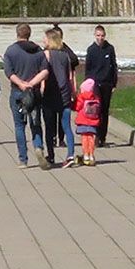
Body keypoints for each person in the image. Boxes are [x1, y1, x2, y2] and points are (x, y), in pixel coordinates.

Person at [1, 23, 51, 169]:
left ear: (17, 34)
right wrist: (32, 83)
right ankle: (38, 147)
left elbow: (9, 73)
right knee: (35, 123)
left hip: (18, 92)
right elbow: (45, 71)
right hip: (34, 92)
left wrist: (22, 84)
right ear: (29, 34)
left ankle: (23, 159)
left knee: (19, 126)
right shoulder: (38, 51)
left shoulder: (11, 51)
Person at [41, 28, 77, 168]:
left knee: (49, 128)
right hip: (65, 95)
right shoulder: (65, 56)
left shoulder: (46, 55)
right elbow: (69, 76)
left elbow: (44, 75)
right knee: (67, 126)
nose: (43, 40)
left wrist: (41, 89)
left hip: (50, 95)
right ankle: (70, 155)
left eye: (45, 38)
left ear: (50, 40)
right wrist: (73, 93)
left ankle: (51, 156)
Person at [84, 24, 118, 147]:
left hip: (107, 83)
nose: (100, 38)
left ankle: (102, 137)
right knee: (95, 110)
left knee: (104, 110)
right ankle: (95, 135)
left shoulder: (110, 49)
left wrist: (114, 83)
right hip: (95, 84)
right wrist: (88, 84)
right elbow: (88, 69)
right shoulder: (91, 50)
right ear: (95, 35)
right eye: (98, 35)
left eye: (102, 35)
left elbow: (114, 66)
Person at [48, 25, 81, 148]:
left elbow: (72, 70)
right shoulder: (48, 51)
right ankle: (53, 137)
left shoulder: (66, 52)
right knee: (53, 117)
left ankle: (61, 138)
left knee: (63, 117)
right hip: (52, 88)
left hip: (63, 89)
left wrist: (74, 89)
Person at [74, 78, 102, 166]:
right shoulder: (96, 97)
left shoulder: (81, 97)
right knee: (91, 138)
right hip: (92, 121)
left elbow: (77, 107)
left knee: (84, 138)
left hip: (83, 121)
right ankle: (91, 155)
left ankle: (85, 154)